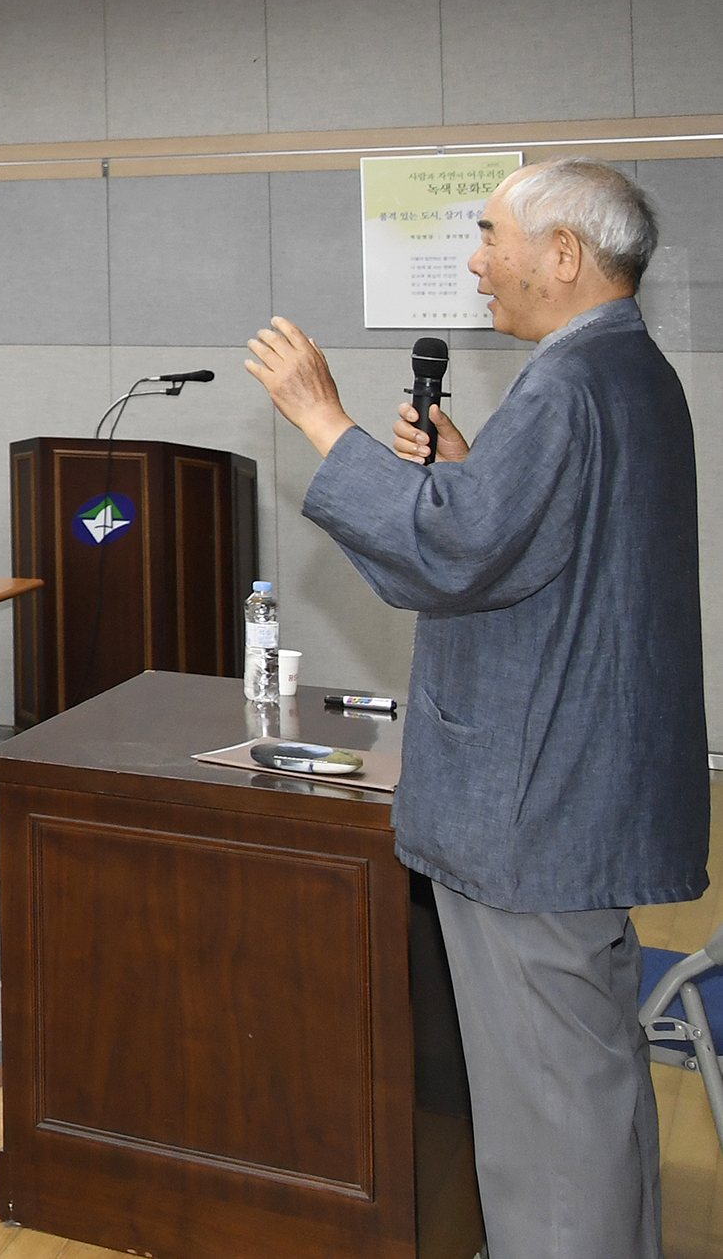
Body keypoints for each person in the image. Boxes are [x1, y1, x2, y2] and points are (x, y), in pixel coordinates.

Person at [246, 157, 704, 1259]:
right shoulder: (627, 372)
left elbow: (447, 554)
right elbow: (525, 543)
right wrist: (461, 467)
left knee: (545, 1120)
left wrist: (321, 421)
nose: (474, 261)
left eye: (491, 234)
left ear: (561, 255)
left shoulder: (566, 384)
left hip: (529, 805)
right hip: (583, 794)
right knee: (587, 1085)